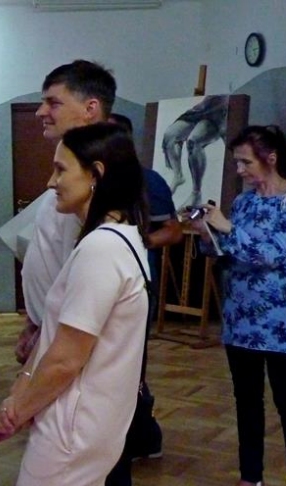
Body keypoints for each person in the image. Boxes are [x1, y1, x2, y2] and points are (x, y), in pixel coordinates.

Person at [0, 123, 150, 486]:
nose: (51, 181)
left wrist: (18, 411)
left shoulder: (101, 248)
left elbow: (66, 358)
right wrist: (21, 390)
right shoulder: (120, 238)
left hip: (72, 431)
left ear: (95, 174)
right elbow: (56, 343)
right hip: (94, 425)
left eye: (61, 170)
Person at [191, 125, 286, 486]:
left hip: (279, 327)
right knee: (247, 403)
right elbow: (230, 252)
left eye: (246, 162)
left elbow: (273, 255)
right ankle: (251, 477)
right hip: (240, 322)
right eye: (237, 163)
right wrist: (207, 235)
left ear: (271, 158)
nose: (240, 170)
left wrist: (227, 228)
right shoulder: (245, 203)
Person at [109, 112, 184, 460]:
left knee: (130, 364)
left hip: (136, 284)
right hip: (103, 281)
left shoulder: (148, 181)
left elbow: (173, 230)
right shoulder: (91, 178)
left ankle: (143, 435)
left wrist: (140, 243)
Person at [162, 95, 229, 207]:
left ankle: (196, 192)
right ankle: (178, 175)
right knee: (169, 134)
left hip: (218, 111)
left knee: (193, 141)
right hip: (203, 107)